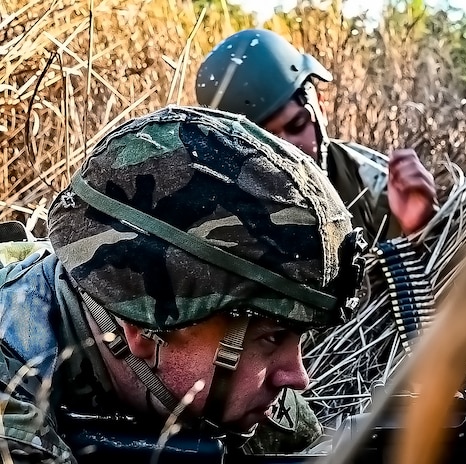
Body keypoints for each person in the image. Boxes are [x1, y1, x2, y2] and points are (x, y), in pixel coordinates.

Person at [0, 105, 366, 462]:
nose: (297, 377)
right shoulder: (11, 419)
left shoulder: (235, 386)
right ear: (143, 328)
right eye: (271, 337)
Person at [195, 28, 438, 242]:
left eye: (298, 125)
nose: (289, 149)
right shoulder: (214, 216)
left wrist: (418, 230)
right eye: (268, 143)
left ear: (320, 106)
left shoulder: (377, 187)